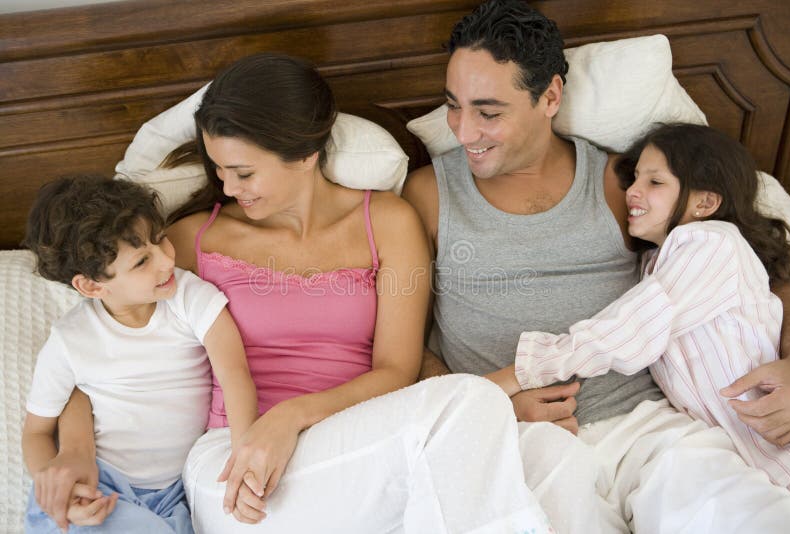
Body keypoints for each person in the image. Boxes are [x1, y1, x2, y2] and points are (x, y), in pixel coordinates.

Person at [43, 53, 555, 534]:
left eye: (244, 172)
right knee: (473, 405)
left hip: (359, 440)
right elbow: (96, 352)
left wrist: (290, 417)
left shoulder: (389, 223)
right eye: (219, 170)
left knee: (493, 427)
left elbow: (396, 371)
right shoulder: (187, 242)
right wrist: (74, 452)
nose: (229, 187)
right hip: (232, 465)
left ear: (306, 153)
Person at [402, 1, 790, 532]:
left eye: (488, 112)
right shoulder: (429, 193)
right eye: (454, 105)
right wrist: (491, 409)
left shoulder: (624, 183)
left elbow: (760, 275)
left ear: (549, 97)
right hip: (519, 438)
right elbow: (405, 345)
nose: (464, 131)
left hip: (649, 428)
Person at [500, 123, 790, 493]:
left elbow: (630, 327)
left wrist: (522, 372)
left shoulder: (712, 244)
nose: (633, 192)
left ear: (704, 203)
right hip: (756, 463)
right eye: (635, 179)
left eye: (655, 183)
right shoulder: (656, 262)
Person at [21, 175, 259, 533]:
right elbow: (36, 432)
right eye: (141, 261)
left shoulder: (189, 297)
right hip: (102, 486)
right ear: (92, 285)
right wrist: (58, 490)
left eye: (160, 238)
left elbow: (236, 376)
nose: (166, 260)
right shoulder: (69, 341)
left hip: (178, 493)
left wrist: (244, 459)